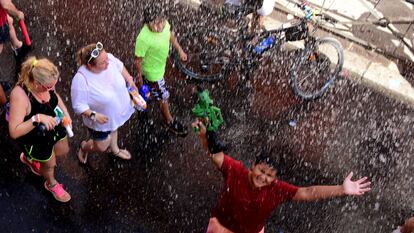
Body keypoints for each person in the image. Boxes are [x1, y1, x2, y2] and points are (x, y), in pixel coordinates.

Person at [192, 120, 372, 233]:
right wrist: (204, 138)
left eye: (270, 176)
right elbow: (216, 156)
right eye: (261, 171)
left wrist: (341, 189)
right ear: (253, 166)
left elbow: (307, 192)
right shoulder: (236, 170)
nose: (263, 178)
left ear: (275, 178)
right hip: (220, 228)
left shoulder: (277, 189)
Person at [8, 56, 71, 203]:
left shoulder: (47, 83)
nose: (52, 89)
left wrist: (66, 114)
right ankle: (51, 183)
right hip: (37, 135)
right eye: (49, 87)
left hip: (54, 125)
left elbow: (56, 97)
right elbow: (14, 131)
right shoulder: (20, 96)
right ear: (36, 83)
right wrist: (37, 118)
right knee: (49, 165)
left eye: (54, 85)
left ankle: (31, 159)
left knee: (63, 150)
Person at [71, 42, 135, 164]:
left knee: (115, 126)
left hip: (115, 114)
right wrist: (94, 115)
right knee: (101, 146)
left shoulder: (108, 58)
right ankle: (84, 147)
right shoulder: (81, 80)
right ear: (90, 65)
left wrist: (130, 80)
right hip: (100, 122)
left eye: (106, 59)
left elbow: (120, 66)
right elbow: (78, 106)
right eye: (103, 62)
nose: (108, 63)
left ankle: (115, 150)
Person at [134, 5, 188, 137]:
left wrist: (179, 50)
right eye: (155, 24)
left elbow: (170, 35)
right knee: (164, 97)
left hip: (158, 69)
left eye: (162, 21)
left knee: (145, 92)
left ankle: (141, 106)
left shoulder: (165, 25)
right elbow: (137, 61)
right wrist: (140, 79)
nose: (160, 26)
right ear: (147, 23)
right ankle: (169, 121)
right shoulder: (143, 38)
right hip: (153, 74)